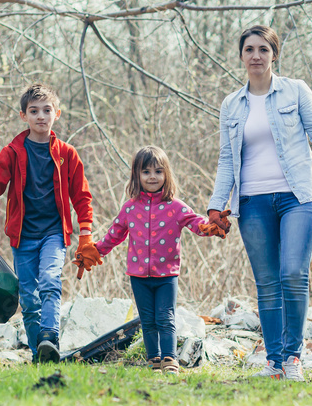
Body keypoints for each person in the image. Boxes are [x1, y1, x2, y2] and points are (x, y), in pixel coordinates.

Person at [207, 25, 312, 381]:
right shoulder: (231, 105)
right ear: (240, 56)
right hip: (252, 202)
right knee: (266, 282)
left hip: (299, 197)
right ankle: (274, 360)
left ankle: (293, 357)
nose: (255, 56)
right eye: (249, 49)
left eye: (263, 49)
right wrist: (216, 205)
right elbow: (225, 159)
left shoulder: (296, 91)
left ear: (274, 54)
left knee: (292, 274)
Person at [0, 83, 101, 363]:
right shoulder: (12, 153)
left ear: (57, 114)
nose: (41, 116)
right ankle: (39, 353)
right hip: (23, 236)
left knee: (50, 282)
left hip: (54, 233)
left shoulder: (67, 154)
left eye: (47, 110)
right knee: (28, 298)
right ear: (23, 116)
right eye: (34, 111)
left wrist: (86, 236)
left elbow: (82, 197)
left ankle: (50, 337)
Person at [94, 146, 226, 375]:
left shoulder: (175, 206)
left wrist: (210, 227)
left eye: (158, 171)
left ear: (166, 174)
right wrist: (95, 252)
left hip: (166, 275)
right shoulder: (130, 208)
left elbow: (196, 223)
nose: (152, 176)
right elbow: (114, 235)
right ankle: (153, 359)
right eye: (146, 172)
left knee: (165, 317)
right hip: (138, 275)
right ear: (137, 175)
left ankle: (170, 359)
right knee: (148, 320)